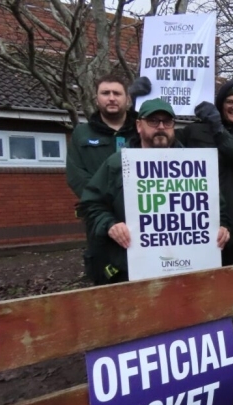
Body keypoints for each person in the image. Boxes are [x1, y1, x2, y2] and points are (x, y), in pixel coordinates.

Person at [80, 99, 230, 284]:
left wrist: (222, 227)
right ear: (138, 125)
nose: (161, 127)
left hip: (186, 273)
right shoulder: (118, 164)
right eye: (153, 121)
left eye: (167, 122)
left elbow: (217, 208)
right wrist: (110, 225)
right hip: (131, 271)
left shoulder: (195, 165)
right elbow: (91, 204)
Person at [128, 77, 233, 267]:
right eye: (230, 102)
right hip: (199, 229)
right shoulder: (194, 131)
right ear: (220, 104)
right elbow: (156, 143)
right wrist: (132, 107)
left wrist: (217, 127)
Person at [66, 74, 138, 284]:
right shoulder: (82, 133)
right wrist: (106, 212)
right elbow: (76, 176)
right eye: (105, 93)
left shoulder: (141, 131)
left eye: (117, 93)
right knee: (107, 282)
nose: (111, 98)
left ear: (127, 99)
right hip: (101, 223)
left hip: (139, 220)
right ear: (96, 99)